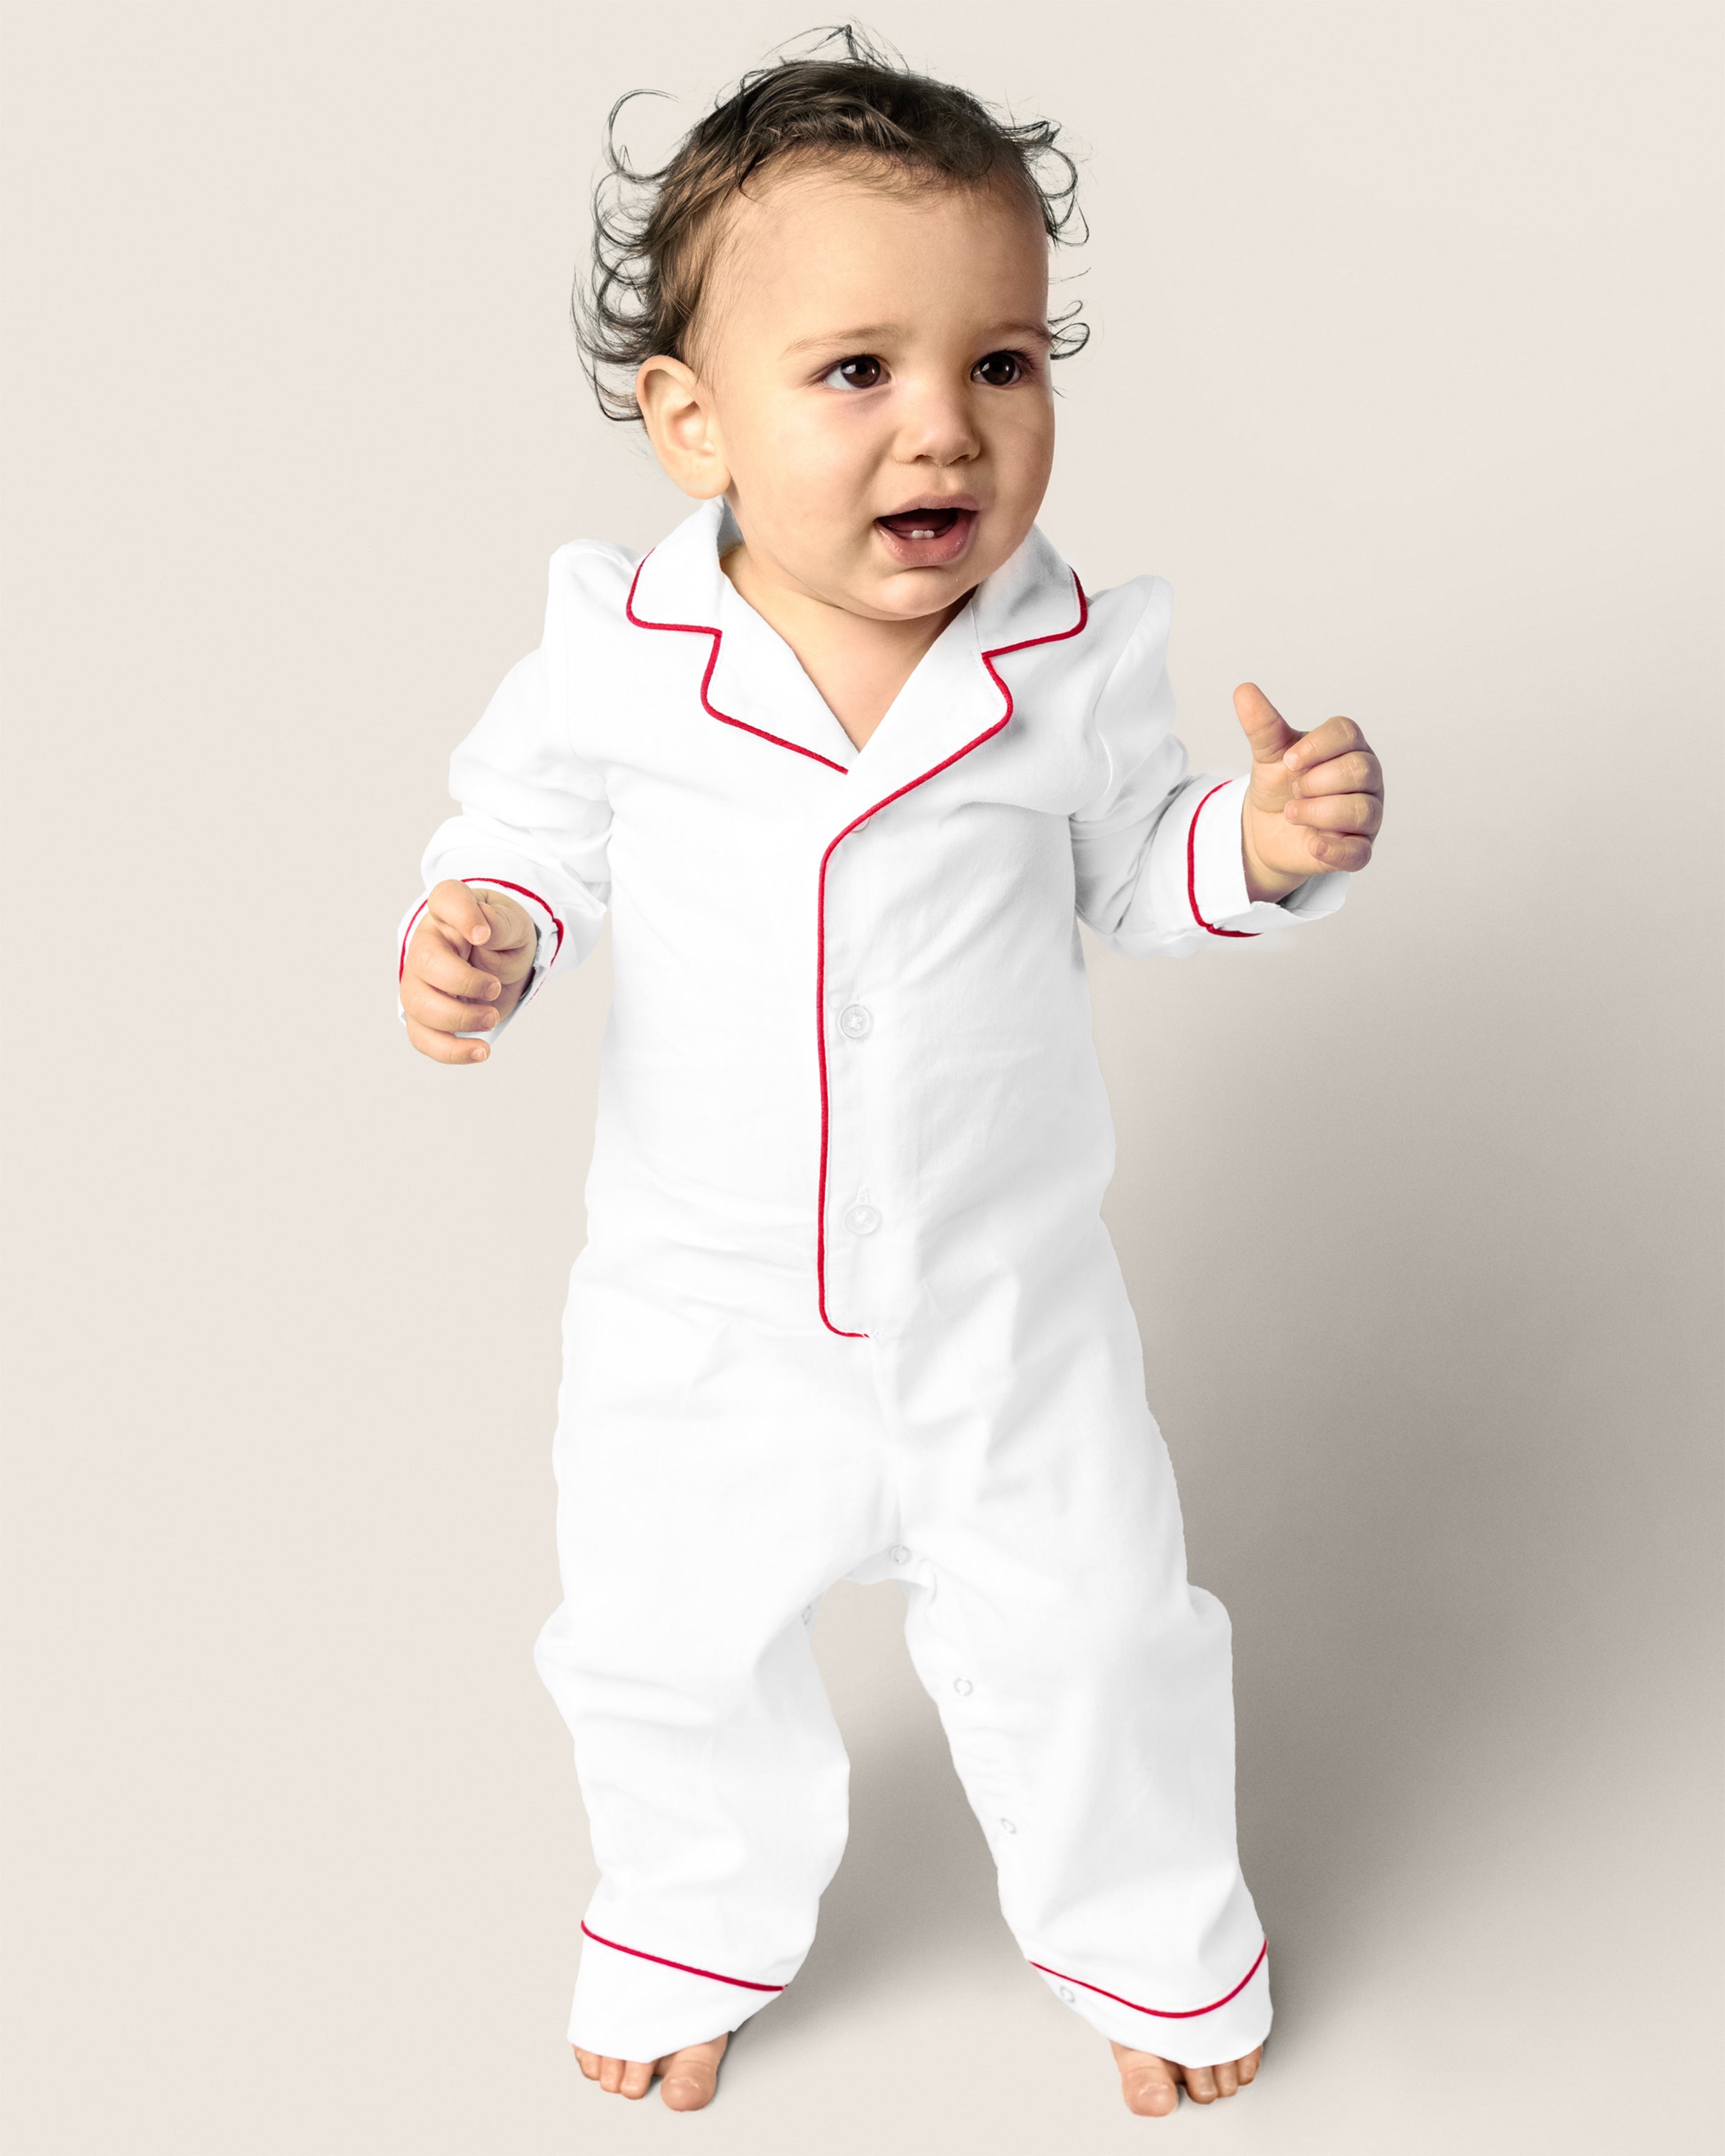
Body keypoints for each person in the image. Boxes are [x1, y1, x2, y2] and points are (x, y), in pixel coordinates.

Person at [396, 33, 1384, 2120]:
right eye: (857, 371)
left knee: (1102, 1636)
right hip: (703, 1314)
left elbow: (1142, 869)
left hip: (1005, 1305)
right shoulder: (621, 657)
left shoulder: (1070, 658)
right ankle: (686, 1916)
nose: (944, 426)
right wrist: (483, 927)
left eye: (1003, 364)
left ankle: (1151, 1941)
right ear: (692, 421)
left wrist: (1264, 848)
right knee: (667, 1647)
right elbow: (527, 836)